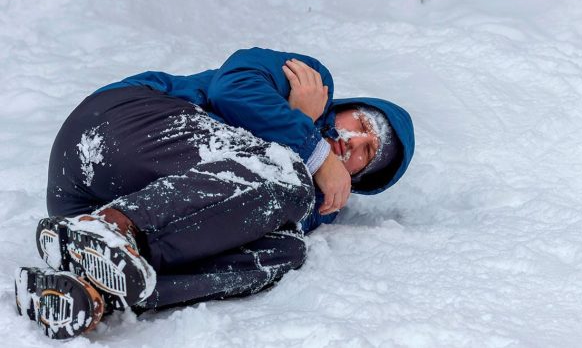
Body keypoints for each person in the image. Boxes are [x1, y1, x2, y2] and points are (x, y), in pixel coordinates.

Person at [13, 47, 414, 340]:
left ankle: (97, 288)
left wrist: (312, 167)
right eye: (361, 123)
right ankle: (115, 228)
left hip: (80, 208)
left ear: (357, 177)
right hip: (120, 125)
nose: (353, 140)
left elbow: (229, 226)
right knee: (286, 177)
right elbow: (232, 88)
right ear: (348, 106)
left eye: (367, 152)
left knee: (283, 249)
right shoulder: (308, 79)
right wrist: (310, 143)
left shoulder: (313, 198)